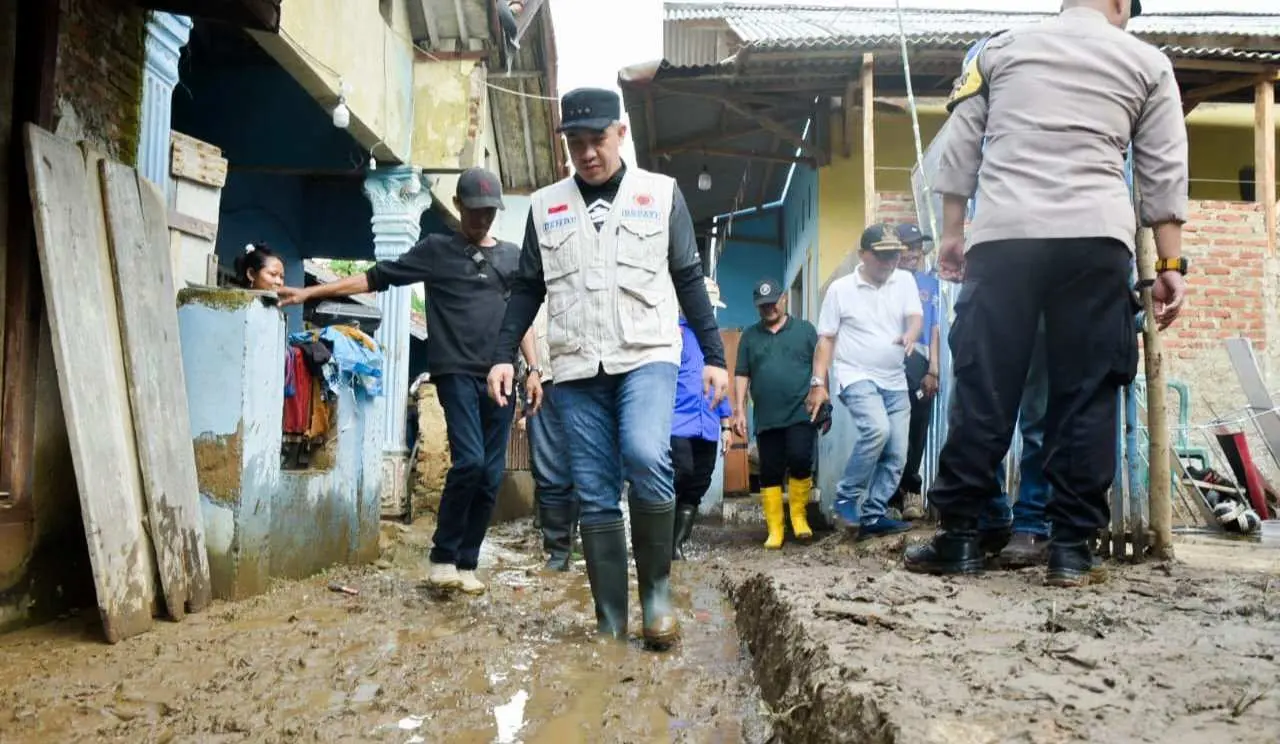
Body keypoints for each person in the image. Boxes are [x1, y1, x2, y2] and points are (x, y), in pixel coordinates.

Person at [905, 0, 1188, 587]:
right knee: (1086, 392)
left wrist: (954, 234)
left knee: (986, 384)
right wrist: (1170, 262)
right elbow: (1164, 166)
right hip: (1095, 241)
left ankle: (959, 537)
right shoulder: (1147, 62)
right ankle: (1070, 549)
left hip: (1006, 238)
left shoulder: (1000, 50)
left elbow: (960, 145)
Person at [487, 87, 728, 651]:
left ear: (621, 133)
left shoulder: (660, 195)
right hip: (574, 365)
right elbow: (527, 287)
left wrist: (714, 357)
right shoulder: (546, 207)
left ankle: (657, 595)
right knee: (593, 490)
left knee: (647, 453)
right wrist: (503, 354)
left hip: (646, 355)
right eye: (576, 143)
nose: (588, 153)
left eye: (597, 139)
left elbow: (688, 277)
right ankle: (610, 622)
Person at [278, 167, 542, 595]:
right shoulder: (437, 250)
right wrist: (310, 294)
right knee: (471, 462)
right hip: (455, 371)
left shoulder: (512, 258)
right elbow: (375, 277)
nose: (482, 220)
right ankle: (442, 555)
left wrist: (535, 368)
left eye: (490, 213)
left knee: (491, 475)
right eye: (475, 212)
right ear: (458, 206)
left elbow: (522, 319)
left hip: (501, 375)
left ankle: (466, 562)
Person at [808, 225, 923, 540]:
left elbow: (915, 317)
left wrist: (911, 335)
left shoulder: (905, 281)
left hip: (895, 379)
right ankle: (846, 497)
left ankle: (873, 514)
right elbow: (827, 339)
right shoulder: (840, 290)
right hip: (856, 375)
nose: (889, 262)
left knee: (898, 452)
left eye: (894, 255)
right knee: (877, 430)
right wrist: (819, 382)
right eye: (882, 256)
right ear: (863, 255)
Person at [731, 278, 819, 550]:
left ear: (784, 300)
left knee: (800, 458)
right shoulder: (749, 336)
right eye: (762, 306)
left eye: (772, 303)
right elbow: (742, 374)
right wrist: (739, 411)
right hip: (767, 416)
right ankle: (775, 529)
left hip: (800, 411)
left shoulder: (805, 331)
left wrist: (820, 390)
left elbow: (819, 365)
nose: (768, 309)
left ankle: (798, 517)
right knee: (769, 470)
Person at [671, 278, 734, 560]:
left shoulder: (714, 342)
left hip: (707, 425)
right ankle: (658, 540)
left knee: (699, 482)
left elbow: (722, 386)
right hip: (677, 421)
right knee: (678, 473)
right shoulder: (674, 335)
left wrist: (726, 426)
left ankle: (676, 545)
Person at [890, 224, 941, 522]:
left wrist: (934, 369)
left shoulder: (928, 284)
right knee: (891, 430)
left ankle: (911, 490)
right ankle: (890, 494)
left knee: (918, 429)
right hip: (891, 362)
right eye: (907, 247)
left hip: (920, 363)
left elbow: (933, 327)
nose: (913, 253)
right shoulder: (886, 282)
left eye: (917, 247)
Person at [526, 304, 578, 572]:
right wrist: (531, 371)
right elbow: (523, 326)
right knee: (548, 470)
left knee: (590, 471)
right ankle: (558, 553)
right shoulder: (533, 286)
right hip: (544, 378)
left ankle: (590, 549)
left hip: (588, 379)